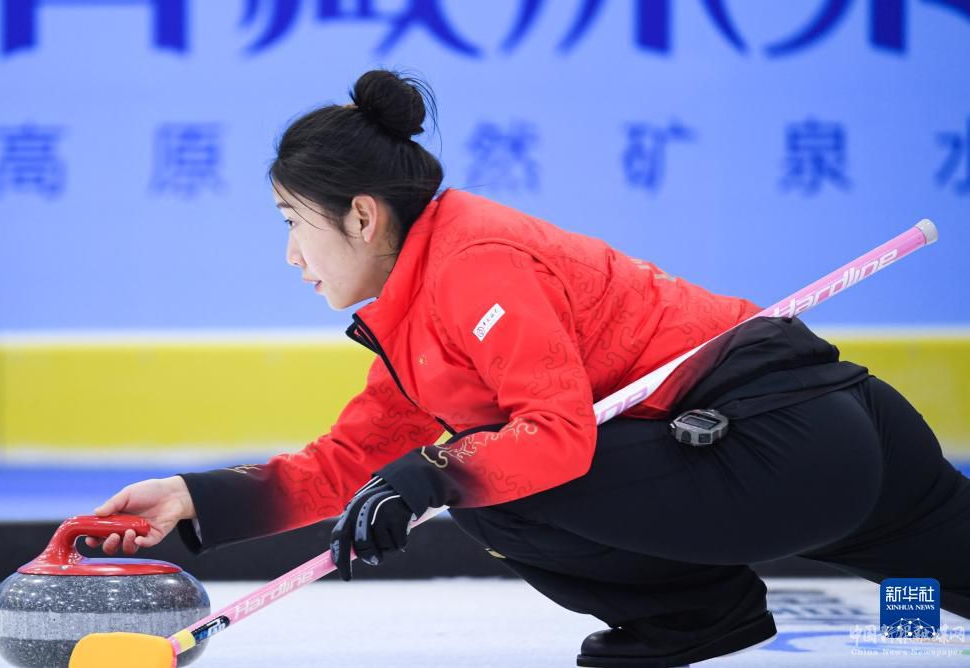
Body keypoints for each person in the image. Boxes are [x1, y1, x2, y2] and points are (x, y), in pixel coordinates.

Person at [89, 69, 970, 667]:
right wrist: (197, 499)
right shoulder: (418, 302)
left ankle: (693, 615)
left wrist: (433, 474)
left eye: (291, 222)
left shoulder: (474, 262)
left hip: (773, 442)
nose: (290, 255)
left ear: (360, 216)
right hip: (825, 431)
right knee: (460, 464)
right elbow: (354, 460)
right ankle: (702, 608)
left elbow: (553, 438)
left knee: (488, 477)